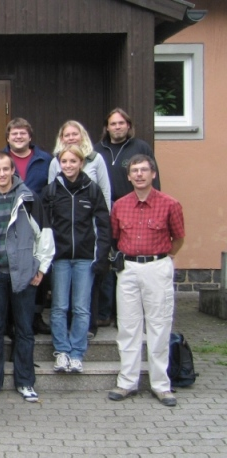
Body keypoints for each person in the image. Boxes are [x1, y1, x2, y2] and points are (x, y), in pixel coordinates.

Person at [0, 152, 54, 403]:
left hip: (24, 274)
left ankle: (25, 381)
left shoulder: (28, 197)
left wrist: (40, 268)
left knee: (24, 330)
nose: (1, 174)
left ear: (12, 171)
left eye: (5, 169)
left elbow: (44, 234)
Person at [108, 154, 184, 407]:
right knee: (128, 326)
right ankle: (127, 382)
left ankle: (160, 385)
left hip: (157, 266)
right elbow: (115, 236)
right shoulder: (120, 206)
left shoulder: (170, 204)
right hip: (128, 268)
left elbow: (178, 237)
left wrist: (165, 257)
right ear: (129, 177)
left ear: (153, 174)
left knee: (159, 325)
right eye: (134, 171)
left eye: (143, 170)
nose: (139, 174)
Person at [42, 145, 110, 374]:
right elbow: (44, 227)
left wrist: (101, 256)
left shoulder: (92, 190)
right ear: (59, 164)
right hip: (60, 259)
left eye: (73, 161)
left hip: (85, 258)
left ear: (81, 163)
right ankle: (61, 351)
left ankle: (77, 353)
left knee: (81, 308)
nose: (68, 165)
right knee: (59, 307)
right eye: (64, 161)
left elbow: (103, 226)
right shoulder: (51, 191)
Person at [93, 108, 161, 328]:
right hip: (103, 211)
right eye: (113, 124)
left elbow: (153, 181)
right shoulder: (97, 150)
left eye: (121, 123)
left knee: (127, 261)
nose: (117, 127)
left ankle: (125, 314)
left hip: (133, 210)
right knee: (106, 260)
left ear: (128, 126)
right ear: (107, 127)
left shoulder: (140, 148)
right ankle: (105, 312)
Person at [0, 118, 53, 335]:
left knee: (35, 267)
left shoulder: (45, 160)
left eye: (23, 133)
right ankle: (10, 320)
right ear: (8, 137)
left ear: (30, 136)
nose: (19, 136)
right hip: (8, 218)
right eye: (14, 133)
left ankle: (36, 316)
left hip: (36, 217)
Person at [48, 121, 112, 209]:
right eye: (67, 135)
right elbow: (51, 192)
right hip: (62, 213)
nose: (71, 138)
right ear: (62, 139)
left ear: (82, 136)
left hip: (91, 212)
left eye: (75, 134)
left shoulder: (96, 159)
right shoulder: (55, 162)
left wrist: (105, 213)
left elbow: (105, 190)